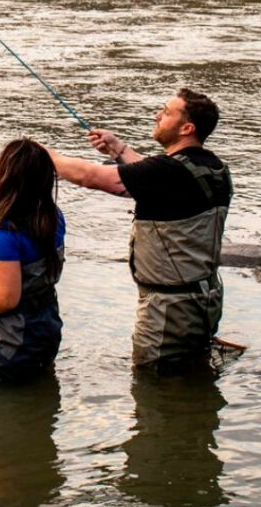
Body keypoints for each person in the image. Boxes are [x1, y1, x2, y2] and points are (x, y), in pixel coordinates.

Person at [47, 88, 233, 368]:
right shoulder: (213, 167)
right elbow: (153, 174)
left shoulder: (166, 173)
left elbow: (90, 177)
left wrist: (41, 155)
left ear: (187, 128)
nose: (158, 115)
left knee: (155, 395)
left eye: (167, 112)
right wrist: (118, 149)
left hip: (167, 312)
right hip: (203, 300)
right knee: (187, 376)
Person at [0, 138, 66, 384]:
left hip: (9, 347)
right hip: (47, 333)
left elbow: (7, 299)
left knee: (1, 413)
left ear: (6, 177)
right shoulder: (53, 218)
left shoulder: (3, 235)